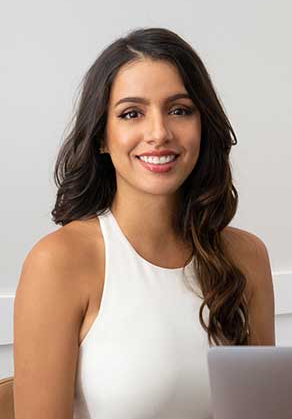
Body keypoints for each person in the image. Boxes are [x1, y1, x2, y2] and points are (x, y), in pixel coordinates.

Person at [13, 28, 275, 419]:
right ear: (102, 136)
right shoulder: (59, 261)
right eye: (132, 113)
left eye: (180, 109)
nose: (159, 133)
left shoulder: (247, 255)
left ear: (203, 125)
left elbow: (263, 410)